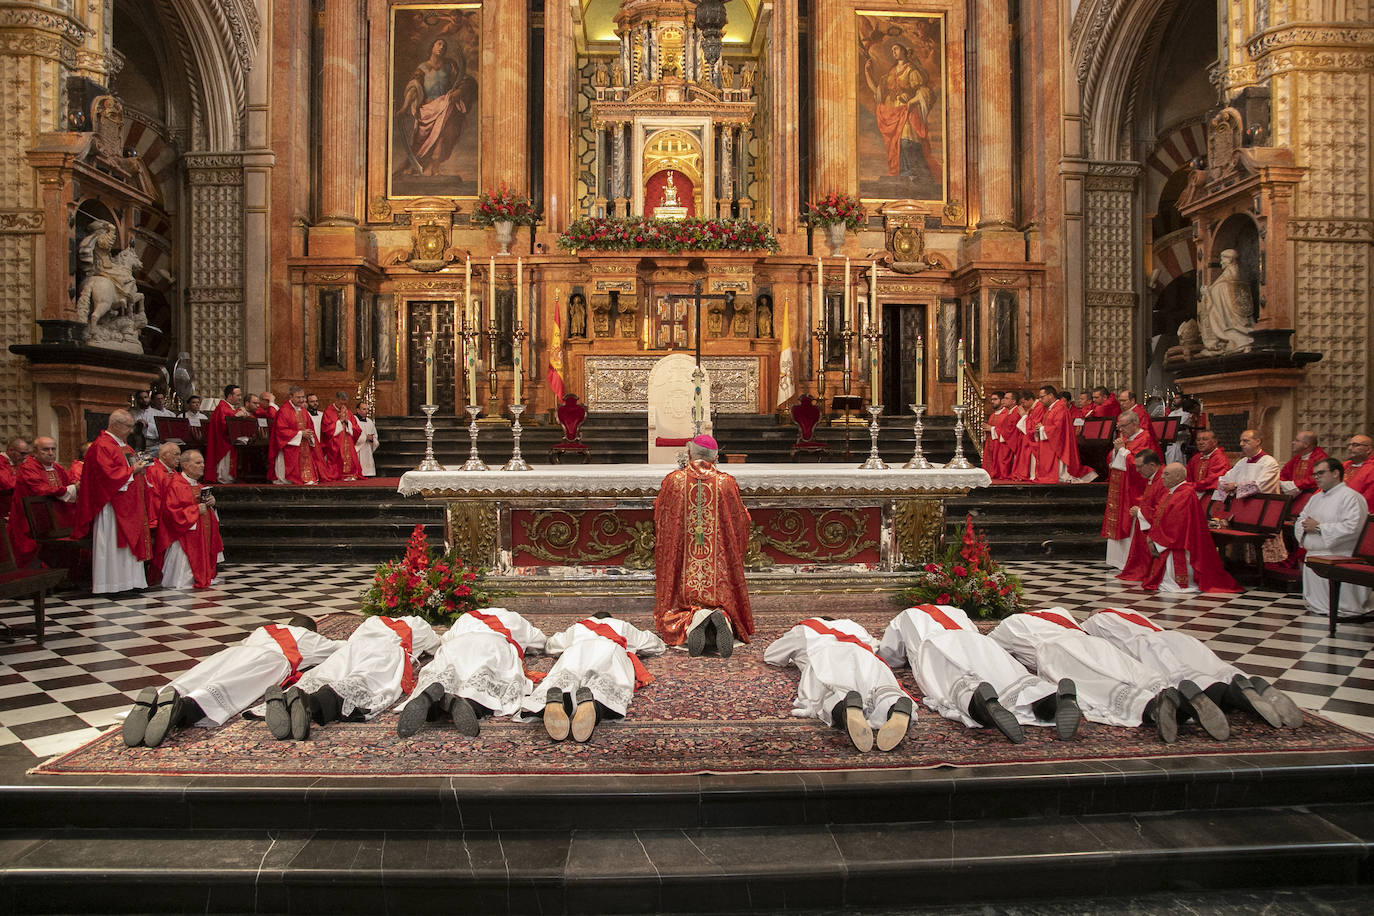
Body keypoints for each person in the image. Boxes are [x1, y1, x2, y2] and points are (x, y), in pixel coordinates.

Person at [990, 609, 1226, 743]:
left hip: (1059, 651)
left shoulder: (1010, 624)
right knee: (1132, 674)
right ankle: (1180, 701)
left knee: (1101, 689)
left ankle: (1152, 708)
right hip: (1098, 645)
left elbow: (991, 646)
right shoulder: (1063, 614)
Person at [123, 619, 343, 748]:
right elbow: (340, 648)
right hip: (269, 661)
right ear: (311, 630)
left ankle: (163, 700)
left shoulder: (263, 630)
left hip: (233, 653)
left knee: (199, 676)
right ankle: (184, 709)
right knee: (228, 686)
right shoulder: (309, 637)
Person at [878, 604, 1080, 744]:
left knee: (956, 679)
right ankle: (1049, 698)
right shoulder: (957, 612)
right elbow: (973, 629)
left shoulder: (904, 617)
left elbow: (891, 656)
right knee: (1008, 673)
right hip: (979, 642)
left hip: (936, 645)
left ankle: (980, 702)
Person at [1082, 608, 1302, 728]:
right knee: (1214, 668)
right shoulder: (1131, 613)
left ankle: (1217, 697)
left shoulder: (1097, 621)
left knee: (1179, 676)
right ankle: (1245, 688)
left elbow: (1101, 650)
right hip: (1176, 638)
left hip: (1148, 646)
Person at [652, 434, 754, 652]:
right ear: (715, 457)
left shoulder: (674, 480)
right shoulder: (726, 483)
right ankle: (722, 619)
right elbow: (741, 521)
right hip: (718, 576)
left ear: (690, 453)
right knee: (721, 600)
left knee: (680, 606)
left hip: (684, 573)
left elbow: (662, 516)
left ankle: (693, 623)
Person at [277, 613, 440, 739]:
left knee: (325, 674)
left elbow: (351, 639)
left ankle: (287, 700)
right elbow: (434, 646)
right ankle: (312, 705)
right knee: (360, 681)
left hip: (352, 648)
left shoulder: (372, 620)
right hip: (386, 650)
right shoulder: (420, 624)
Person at [765, 616, 915, 752]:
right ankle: (893, 704)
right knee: (881, 685)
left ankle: (845, 708)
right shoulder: (853, 625)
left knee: (830, 688)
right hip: (864, 654)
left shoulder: (803, 629)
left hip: (827, 655)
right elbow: (878, 647)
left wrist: (795, 656)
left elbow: (771, 655)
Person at [397, 607, 548, 738]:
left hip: (456, 644)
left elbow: (444, 640)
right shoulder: (515, 619)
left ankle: (432, 701)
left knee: (446, 671)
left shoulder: (464, 618)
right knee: (486, 678)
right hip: (493, 644)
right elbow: (541, 642)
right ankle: (470, 702)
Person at [521, 612, 665, 743]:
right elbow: (654, 644)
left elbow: (551, 646)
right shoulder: (623, 626)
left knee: (563, 678)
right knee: (606, 687)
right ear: (611, 618)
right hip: (610, 652)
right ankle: (595, 707)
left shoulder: (577, 627)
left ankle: (560, 703)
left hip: (576, 652)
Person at [1128, 462, 1240, 594]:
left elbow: (1176, 524)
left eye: (1166, 474)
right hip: (1167, 539)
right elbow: (1160, 515)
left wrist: (1156, 537)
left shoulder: (1185, 493)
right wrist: (1153, 534)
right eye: (1163, 474)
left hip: (1180, 541)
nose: (1162, 477)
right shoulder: (1172, 492)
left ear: (1178, 476)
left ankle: (1181, 583)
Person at [73, 410, 151, 594]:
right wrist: (132, 471)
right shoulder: (102, 446)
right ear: (115, 425)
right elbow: (106, 476)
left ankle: (131, 582)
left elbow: (130, 468)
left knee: (128, 545)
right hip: (111, 505)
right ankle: (111, 584)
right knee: (113, 544)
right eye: (129, 426)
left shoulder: (123, 445)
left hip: (128, 503)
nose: (131, 431)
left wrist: (140, 468)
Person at [1295, 457, 1371, 617]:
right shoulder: (1316, 497)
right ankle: (1321, 607)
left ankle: (1343, 608)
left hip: (1340, 553)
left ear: (1336, 473)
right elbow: (1302, 518)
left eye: (1321, 473)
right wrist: (1304, 525)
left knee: (1342, 606)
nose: (1316, 477)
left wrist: (1319, 527)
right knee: (1318, 605)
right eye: (1315, 474)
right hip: (1315, 552)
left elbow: (1354, 527)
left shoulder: (1351, 497)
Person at [864, 41, 941, 189]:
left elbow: (925, 92)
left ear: (904, 51)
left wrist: (912, 101)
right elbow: (877, 91)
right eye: (892, 50)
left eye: (896, 48)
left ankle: (914, 174)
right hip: (892, 112)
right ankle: (902, 174)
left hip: (907, 111)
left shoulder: (911, 70)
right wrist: (867, 72)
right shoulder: (891, 73)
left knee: (907, 140)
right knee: (895, 144)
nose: (893, 52)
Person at [399, 37, 478, 178]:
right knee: (419, 141)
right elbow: (413, 88)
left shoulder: (450, 66)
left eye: (444, 45)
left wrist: (458, 92)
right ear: (432, 47)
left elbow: (462, 80)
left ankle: (435, 169)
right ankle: (414, 167)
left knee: (442, 136)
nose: (441, 47)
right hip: (427, 109)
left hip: (445, 106)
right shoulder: (422, 68)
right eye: (439, 44)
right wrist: (404, 107)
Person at [152, 450, 223, 590]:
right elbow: (171, 512)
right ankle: (184, 579)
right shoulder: (176, 485)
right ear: (185, 465)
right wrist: (195, 510)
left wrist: (211, 502)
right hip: (183, 535)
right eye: (198, 463)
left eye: (203, 462)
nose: (202, 466)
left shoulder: (197, 485)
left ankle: (203, 575)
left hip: (199, 532)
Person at [6, 436, 77, 568]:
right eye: (45, 449)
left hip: (56, 520)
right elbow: (41, 490)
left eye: (53, 449)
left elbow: (69, 484)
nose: (50, 453)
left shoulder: (57, 468)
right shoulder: (28, 468)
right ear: (35, 452)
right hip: (32, 521)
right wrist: (72, 489)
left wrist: (76, 487)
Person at [1101, 412, 1155, 569]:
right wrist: (1117, 451)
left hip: (1135, 488)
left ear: (1134, 424)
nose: (1121, 430)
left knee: (1128, 520)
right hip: (1121, 486)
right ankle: (1117, 560)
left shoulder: (1144, 438)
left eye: (1123, 426)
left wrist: (1123, 451)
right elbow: (1111, 458)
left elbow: (1142, 465)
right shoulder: (1126, 438)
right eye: (1119, 427)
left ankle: (1129, 560)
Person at [1116, 450, 1166, 582]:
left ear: (1152, 465)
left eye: (1139, 466)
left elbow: (1163, 509)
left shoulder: (1163, 480)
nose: (1137, 470)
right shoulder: (1154, 478)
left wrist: (1139, 512)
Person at [1032, 384, 1097, 484]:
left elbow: (1058, 428)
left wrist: (1043, 428)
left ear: (1050, 395)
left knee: (1062, 474)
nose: (1040, 400)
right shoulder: (1052, 409)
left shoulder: (1060, 408)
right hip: (1051, 442)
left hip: (1059, 443)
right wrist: (1039, 428)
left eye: (1042, 397)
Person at [1199, 248, 1255, 354]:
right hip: (1237, 319)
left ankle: (1238, 339)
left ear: (1229, 260)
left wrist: (1207, 294)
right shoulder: (1235, 274)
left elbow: (1218, 300)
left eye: (1222, 259)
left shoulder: (1227, 280)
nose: (1221, 262)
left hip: (1231, 320)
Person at [269, 386, 321, 485]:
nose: (301, 400)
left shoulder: (303, 410)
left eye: (303, 397)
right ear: (291, 397)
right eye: (298, 397)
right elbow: (281, 431)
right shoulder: (284, 411)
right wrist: (300, 434)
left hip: (304, 444)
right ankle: (291, 479)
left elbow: (310, 426)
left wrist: (309, 434)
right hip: (289, 447)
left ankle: (305, 478)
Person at [1214, 429, 1280, 501]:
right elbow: (1226, 479)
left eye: (1245, 441)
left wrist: (1236, 486)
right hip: (1241, 504)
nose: (1241, 444)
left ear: (1258, 442)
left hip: (1263, 503)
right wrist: (1226, 485)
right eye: (1241, 441)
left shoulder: (1269, 462)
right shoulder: (1242, 462)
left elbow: (1261, 485)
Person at [205, 384, 249, 483]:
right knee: (224, 469)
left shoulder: (229, 408)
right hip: (223, 442)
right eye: (238, 395)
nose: (240, 398)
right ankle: (223, 480)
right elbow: (223, 426)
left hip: (230, 442)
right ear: (229, 396)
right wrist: (236, 416)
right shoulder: (222, 408)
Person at [319, 390, 364, 482]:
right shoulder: (328, 412)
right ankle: (337, 475)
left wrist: (347, 422)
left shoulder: (348, 412)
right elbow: (326, 430)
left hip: (348, 441)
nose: (343, 406)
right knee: (337, 458)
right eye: (341, 403)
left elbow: (356, 428)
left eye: (345, 403)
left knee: (350, 457)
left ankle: (350, 474)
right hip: (335, 443)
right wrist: (339, 422)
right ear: (336, 400)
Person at [143, 441, 182, 537]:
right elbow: (154, 498)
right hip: (159, 519)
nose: (179, 458)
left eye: (179, 454)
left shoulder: (173, 472)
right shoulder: (153, 471)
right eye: (176, 454)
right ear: (164, 455)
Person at [1280, 431, 1327, 496]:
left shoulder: (1321, 459)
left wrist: (1296, 484)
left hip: (1313, 495)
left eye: (1297, 441)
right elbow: (1284, 474)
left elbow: (1317, 478)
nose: (1293, 443)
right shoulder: (1296, 458)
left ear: (1306, 444)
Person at [1187, 429, 1231, 495]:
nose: (1200, 442)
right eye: (1198, 440)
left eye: (1205, 439)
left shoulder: (1220, 459)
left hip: (1211, 495)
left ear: (1214, 442)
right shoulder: (1195, 458)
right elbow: (1187, 477)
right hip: (1194, 492)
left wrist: (1190, 486)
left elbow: (1212, 481)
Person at [1116, 389, 1160, 455]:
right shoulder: (1125, 413)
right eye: (1120, 401)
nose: (1121, 403)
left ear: (1132, 400)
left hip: (1143, 449)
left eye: (1124, 401)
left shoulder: (1140, 413)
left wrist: (1123, 444)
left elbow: (1142, 434)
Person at [1343, 434, 1374, 509]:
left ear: (1368, 450)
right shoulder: (1345, 465)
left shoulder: (1372, 468)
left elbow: (1368, 499)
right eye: (1349, 445)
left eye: (1355, 445)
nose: (1350, 448)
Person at [355, 402, 381, 477]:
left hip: (368, 448)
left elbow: (375, 435)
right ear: (358, 410)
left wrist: (372, 439)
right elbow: (353, 433)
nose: (366, 411)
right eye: (364, 409)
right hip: (358, 449)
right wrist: (365, 437)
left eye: (367, 409)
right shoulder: (354, 420)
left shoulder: (369, 421)